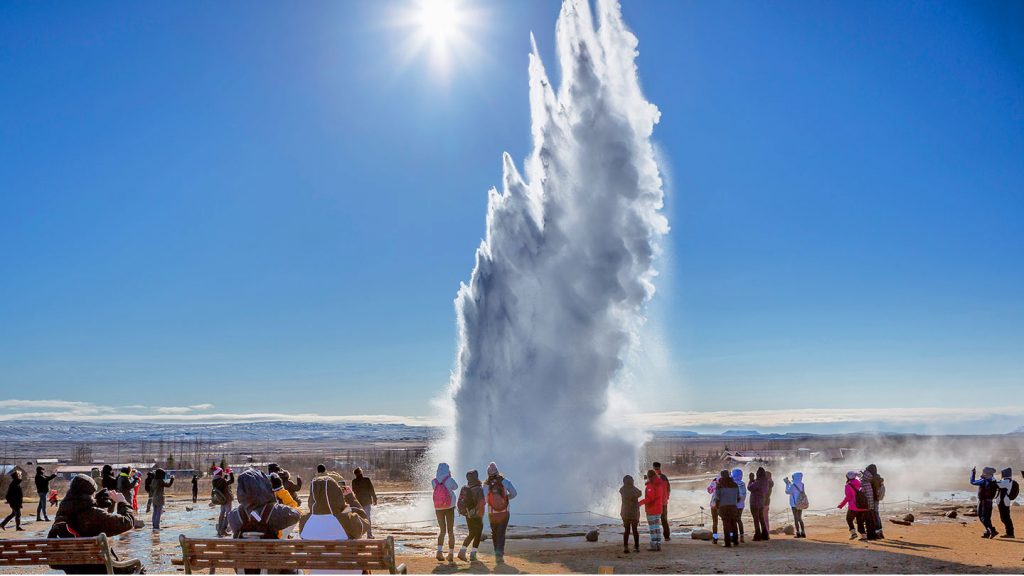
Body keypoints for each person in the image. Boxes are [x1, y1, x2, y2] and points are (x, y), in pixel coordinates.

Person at [46, 474, 140, 574]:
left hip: (72, 568)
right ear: (90, 492)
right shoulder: (93, 515)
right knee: (138, 568)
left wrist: (96, 502)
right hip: (97, 568)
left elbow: (80, 510)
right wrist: (122, 502)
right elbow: (127, 522)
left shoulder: (63, 510)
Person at [229, 469, 302, 541]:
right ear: (263, 485)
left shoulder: (233, 515)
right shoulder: (277, 512)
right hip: (271, 551)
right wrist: (280, 489)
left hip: (244, 552)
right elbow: (297, 514)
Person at [484, 462, 517, 564]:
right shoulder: (505, 481)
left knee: (494, 533)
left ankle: (496, 553)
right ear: (497, 471)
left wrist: (492, 503)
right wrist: (506, 499)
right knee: (501, 533)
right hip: (504, 512)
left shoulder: (486, 485)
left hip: (492, 513)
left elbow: (484, 500)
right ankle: (500, 555)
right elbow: (514, 493)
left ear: (488, 473)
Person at [457, 469, 486, 561]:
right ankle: (472, 554)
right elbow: (482, 502)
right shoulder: (478, 488)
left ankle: (462, 551)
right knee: (477, 533)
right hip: (476, 515)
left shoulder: (464, 487)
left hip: (468, 514)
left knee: (472, 533)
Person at [432, 462, 459, 562]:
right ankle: (451, 554)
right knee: (450, 530)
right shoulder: (449, 480)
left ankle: (439, 552)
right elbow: (455, 487)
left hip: (438, 508)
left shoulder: (434, 481)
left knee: (442, 531)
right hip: (449, 507)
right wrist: (450, 477)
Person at [638, 469, 664, 551]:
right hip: (659, 508)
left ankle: (653, 544)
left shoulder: (650, 485)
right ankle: (658, 544)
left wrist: (639, 503)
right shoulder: (659, 484)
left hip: (652, 509)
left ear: (649, 476)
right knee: (657, 526)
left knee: (652, 527)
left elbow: (650, 498)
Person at [713, 470, 740, 548]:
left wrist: (717, 507)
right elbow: (738, 497)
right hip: (733, 506)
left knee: (726, 525)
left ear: (721, 476)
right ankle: (735, 541)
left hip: (723, 507)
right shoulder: (735, 485)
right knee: (734, 523)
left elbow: (717, 498)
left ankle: (727, 542)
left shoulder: (720, 485)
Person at [970, 466, 1000, 538]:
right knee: (987, 517)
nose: (982, 473)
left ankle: (992, 530)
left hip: (983, 501)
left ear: (986, 473)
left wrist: (973, 473)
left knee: (981, 516)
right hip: (989, 501)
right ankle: (988, 532)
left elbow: (972, 482)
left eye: (983, 472)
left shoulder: (984, 480)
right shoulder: (993, 480)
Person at [837, 471, 867, 540]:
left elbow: (848, 497)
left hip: (853, 507)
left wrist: (841, 505)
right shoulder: (860, 482)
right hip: (862, 506)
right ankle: (864, 536)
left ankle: (853, 533)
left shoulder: (848, 485)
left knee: (849, 519)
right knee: (860, 522)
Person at [352, 467, 378, 538]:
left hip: (358, 503)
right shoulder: (366, 480)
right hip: (366, 502)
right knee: (367, 518)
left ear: (355, 474)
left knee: (359, 519)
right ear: (361, 472)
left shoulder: (354, 481)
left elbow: (354, 492)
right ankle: (369, 535)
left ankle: (359, 535)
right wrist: (375, 498)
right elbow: (371, 490)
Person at [619, 474, 642, 554]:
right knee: (635, 530)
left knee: (627, 530)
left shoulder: (622, 490)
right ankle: (636, 547)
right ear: (632, 481)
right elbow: (640, 493)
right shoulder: (634, 489)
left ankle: (626, 547)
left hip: (625, 512)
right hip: (634, 512)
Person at [212, 467, 235, 537]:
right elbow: (231, 481)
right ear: (219, 473)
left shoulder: (214, 480)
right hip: (227, 499)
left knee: (222, 513)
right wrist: (230, 473)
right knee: (228, 514)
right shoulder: (222, 481)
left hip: (221, 499)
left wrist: (226, 475)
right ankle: (223, 530)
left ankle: (219, 530)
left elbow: (223, 482)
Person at [863, 464, 885, 539]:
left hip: (873, 499)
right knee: (876, 514)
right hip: (876, 499)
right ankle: (879, 532)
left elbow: (872, 490)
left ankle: (876, 532)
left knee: (874, 515)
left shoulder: (872, 478)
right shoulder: (877, 477)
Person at [784, 472, 807, 538]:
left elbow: (787, 492)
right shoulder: (802, 484)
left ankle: (798, 533)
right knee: (800, 518)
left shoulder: (793, 485)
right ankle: (803, 532)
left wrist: (787, 484)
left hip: (794, 504)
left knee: (796, 518)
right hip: (801, 503)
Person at [996, 467, 1017, 538]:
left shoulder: (1005, 481)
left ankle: (1010, 533)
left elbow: (995, 484)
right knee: (1006, 517)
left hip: (1003, 502)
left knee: (1005, 518)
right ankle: (1010, 532)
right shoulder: (1009, 481)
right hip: (1005, 501)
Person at [748, 467, 768, 541]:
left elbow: (749, 488)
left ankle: (757, 535)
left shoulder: (758, 482)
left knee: (756, 519)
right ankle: (765, 534)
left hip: (754, 502)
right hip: (761, 502)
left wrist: (750, 480)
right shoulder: (765, 481)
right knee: (761, 518)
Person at [653, 462, 671, 541]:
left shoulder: (653, 478)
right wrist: (667, 498)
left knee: (655, 520)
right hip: (663, 503)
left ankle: (656, 537)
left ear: (654, 468)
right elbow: (669, 489)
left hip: (656, 503)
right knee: (664, 520)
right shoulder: (664, 477)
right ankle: (666, 537)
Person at [731, 469, 747, 542]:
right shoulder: (743, 483)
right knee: (739, 520)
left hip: (733, 504)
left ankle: (733, 536)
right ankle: (742, 536)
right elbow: (744, 494)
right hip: (741, 505)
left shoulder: (732, 483)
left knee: (732, 521)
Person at [706, 476, 720, 545]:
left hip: (714, 504)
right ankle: (729, 537)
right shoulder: (730, 483)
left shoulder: (714, 482)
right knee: (727, 522)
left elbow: (709, 491)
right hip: (724, 504)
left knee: (715, 522)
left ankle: (715, 538)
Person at [763, 470, 775, 537]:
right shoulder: (771, 483)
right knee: (766, 518)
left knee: (763, 518)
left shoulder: (766, 483)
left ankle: (765, 532)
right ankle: (767, 531)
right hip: (767, 502)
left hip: (763, 502)